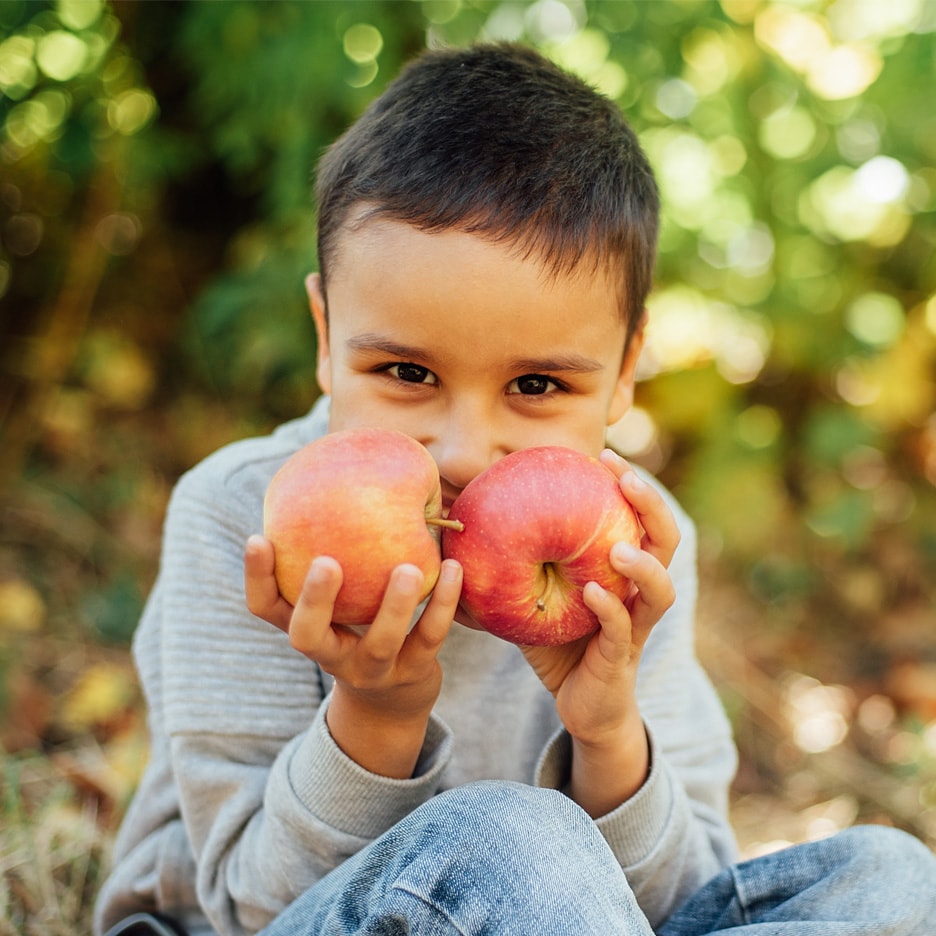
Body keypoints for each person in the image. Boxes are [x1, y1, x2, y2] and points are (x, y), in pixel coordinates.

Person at [95, 42, 936, 936]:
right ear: (326, 335)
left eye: (536, 386)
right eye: (407, 372)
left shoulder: (632, 548)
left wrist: (606, 734)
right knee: (514, 839)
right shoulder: (250, 521)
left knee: (891, 880)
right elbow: (246, 908)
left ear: (625, 370)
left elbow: (679, 904)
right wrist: (375, 714)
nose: (463, 453)